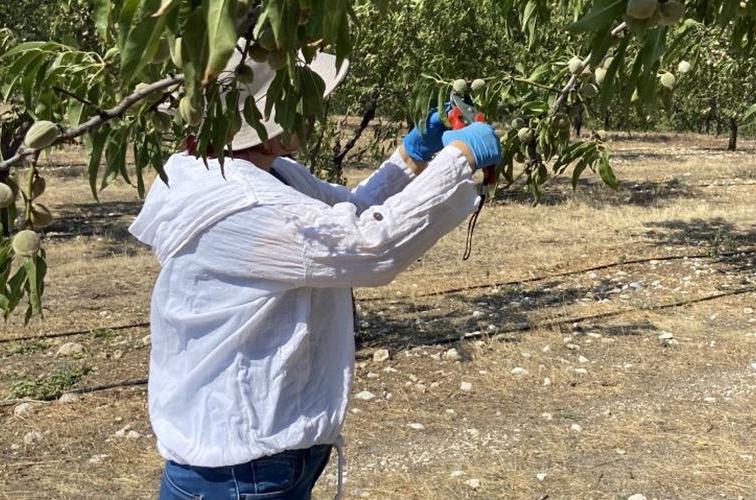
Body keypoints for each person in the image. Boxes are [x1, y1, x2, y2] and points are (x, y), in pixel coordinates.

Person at [129, 49, 501, 500]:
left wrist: (411, 156)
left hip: (261, 459)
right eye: (298, 100)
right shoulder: (245, 205)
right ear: (261, 125)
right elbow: (369, 246)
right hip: (240, 473)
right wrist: (459, 158)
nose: (314, 111)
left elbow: (347, 212)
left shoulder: (261, 173)